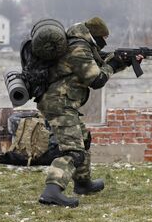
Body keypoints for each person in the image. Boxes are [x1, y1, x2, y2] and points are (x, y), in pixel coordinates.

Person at [37, 17, 142, 207]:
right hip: (59, 104)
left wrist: (121, 61)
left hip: (64, 102)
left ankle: (83, 183)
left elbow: (98, 65)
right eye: (103, 38)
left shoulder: (79, 45)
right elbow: (97, 79)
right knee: (74, 151)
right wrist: (114, 63)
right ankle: (52, 190)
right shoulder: (79, 49)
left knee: (83, 139)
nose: (104, 42)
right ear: (95, 35)